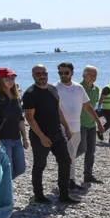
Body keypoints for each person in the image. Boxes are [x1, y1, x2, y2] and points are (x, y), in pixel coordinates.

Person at [23, 65, 79, 204]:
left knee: (65, 161)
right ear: (33, 75)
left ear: (47, 74)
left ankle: (64, 194)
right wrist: (42, 137)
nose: (41, 76)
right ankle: (39, 195)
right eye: (38, 74)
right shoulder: (30, 93)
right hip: (39, 135)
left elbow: (58, 109)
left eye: (43, 73)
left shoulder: (52, 89)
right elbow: (29, 118)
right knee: (40, 165)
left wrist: (66, 127)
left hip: (57, 133)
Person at [54, 62, 103, 190]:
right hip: (62, 129)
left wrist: (98, 122)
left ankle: (71, 180)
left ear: (72, 72)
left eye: (66, 72)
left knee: (73, 155)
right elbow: (54, 109)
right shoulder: (55, 88)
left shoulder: (78, 88)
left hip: (77, 128)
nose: (63, 75)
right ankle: (67, 182)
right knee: (69, 155)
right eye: (60, 73)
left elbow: (87, 106)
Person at [0, 68, 28, 179]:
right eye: (7, 78)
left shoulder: (16, 97)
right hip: (3, 140)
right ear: (0, 80)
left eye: (12, 78)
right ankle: (3, 192)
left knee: (20, 169)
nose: (11, 80)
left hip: (16, 139)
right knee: (7, 170)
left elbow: (20, 119)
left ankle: (2, 187)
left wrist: (25, 138)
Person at [78, 65, 103, 184]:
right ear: (84, 75)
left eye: (95, 75)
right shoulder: (78, 88)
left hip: (91, 124)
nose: (93, 77)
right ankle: (66, 163)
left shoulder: (96, 89)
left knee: (91, 151)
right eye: (90, 75)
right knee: (82, 148)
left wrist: (97, 123)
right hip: (79, 124)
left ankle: (88, 175)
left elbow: (93, 107)